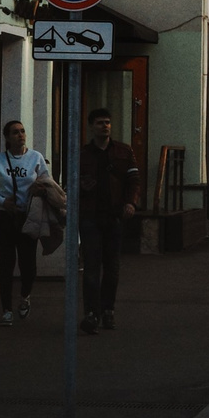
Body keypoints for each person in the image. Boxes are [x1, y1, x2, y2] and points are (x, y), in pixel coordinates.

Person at [75, 108, 141, 335]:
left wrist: (130, 203)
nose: (105, 126)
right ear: (91, 126)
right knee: (92, 267)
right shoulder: (82, 154)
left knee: (112, 268)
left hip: (114, 216)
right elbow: (74, 185)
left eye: (108, 122)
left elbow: (134, 180)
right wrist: (82, 187)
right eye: (101, 123)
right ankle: (91, 313)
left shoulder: (123, 151)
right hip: (91, 216)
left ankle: (108, 310)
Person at [0, 120, 49, 324]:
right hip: (4, 217)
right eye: (15, 132)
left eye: (23, 131)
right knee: (6, 263)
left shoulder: (35, 158)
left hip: (28, 216)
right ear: (7, 137)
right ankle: (6, 310)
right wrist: (1, 201)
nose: (20, 135)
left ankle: (25, 296)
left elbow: (46, 182)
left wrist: (40, 190)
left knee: (28, 264)